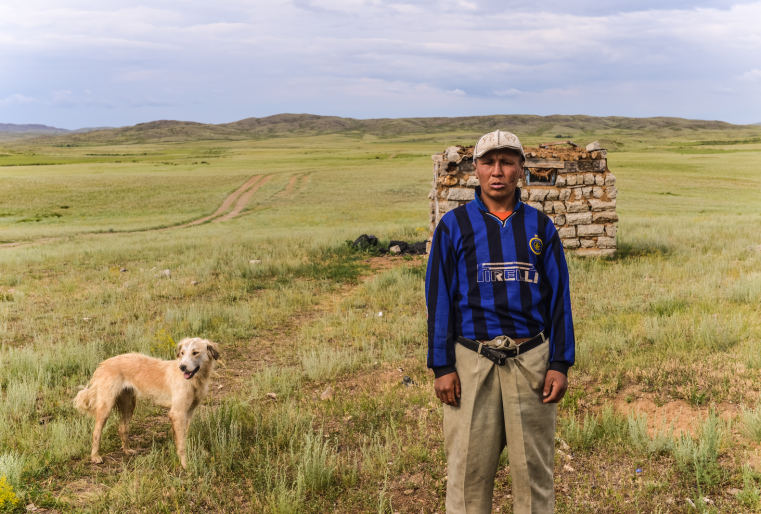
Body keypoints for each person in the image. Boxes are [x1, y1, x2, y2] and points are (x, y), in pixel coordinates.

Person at [425, 130, 575, 514]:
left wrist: (560, 362)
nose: (497, 171)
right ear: (475, 169)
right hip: (472, 363)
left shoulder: (541, 229)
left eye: (507, 162)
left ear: (520, 170)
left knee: (534, 475)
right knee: (467, 475)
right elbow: (439, 299)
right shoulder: (454, 226)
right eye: (489, 162)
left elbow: (559, 299)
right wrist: (442, 365)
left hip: (532, 364)